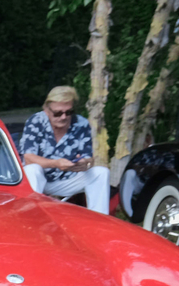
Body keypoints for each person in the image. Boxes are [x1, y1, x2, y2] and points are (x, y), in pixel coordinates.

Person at [19, 85, 111, 213]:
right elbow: (28, 158)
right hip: (37, 181)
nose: (63, 117)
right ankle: (30, 216)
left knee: (101, 172)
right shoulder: (36, 121)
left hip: (67, 179)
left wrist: (85, 164)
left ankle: (100, 222)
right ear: (46, 110)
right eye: (58, 113)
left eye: (69, 112)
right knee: (32, 169)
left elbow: (88, 157)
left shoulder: (81, 123)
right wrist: (56, 163)